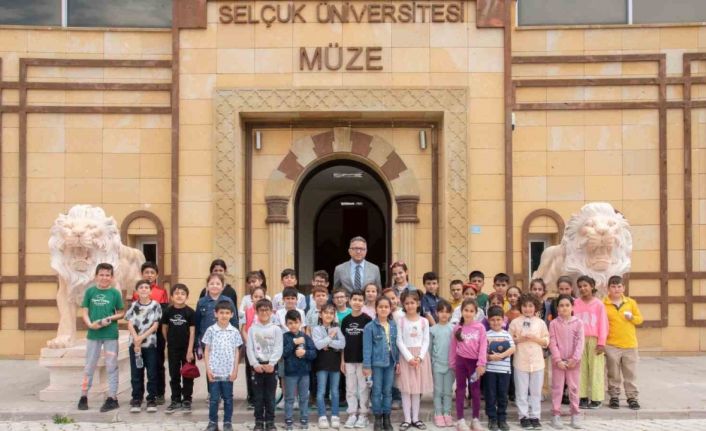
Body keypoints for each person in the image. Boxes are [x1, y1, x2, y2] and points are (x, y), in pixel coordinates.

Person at [77, 263, 125, 412]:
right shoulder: (90, 292)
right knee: (89, 365)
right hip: (93, 335)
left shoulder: (115, 293)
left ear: (112, 277)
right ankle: (83, 396)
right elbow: (85, 312)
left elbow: (121, 313)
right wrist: (90, 324)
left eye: (107, 275)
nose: (104, 278)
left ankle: (112, 397)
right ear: (96, 276)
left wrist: (108, 319)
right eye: (102, 275)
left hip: (110, 335)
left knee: (111, 366)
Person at [509, 294, 549, 430]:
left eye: (530, 306)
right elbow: (509, 340)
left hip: (537, 363)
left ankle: (535, 416)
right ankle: (523, 416)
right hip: (520, 361)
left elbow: (546, 341)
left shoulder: (541, 323)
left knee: (536, 392)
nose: (527, 309)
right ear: (520, 307)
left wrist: (534, 338)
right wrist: (520, 339)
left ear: (535, 307)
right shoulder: (515, 322)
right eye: (525, 306)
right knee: (521, 391)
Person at [202, 300, 243, 431]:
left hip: (228, 372)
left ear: (232, 314)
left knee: (228, 399)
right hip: (214, 372)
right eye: (221, 313)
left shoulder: (234, 331)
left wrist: (235, 370)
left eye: (227, 313)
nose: (224, 315)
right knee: (214, 399)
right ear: (216, 314)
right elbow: (206, 350)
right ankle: (212, 423)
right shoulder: (211, 330)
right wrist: (208, 369)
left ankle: (227, 422)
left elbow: (237, 351)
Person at [604, 275, 643, 411]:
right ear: (608, 288)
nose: (616, 289)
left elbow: (639, 320)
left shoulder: (631, 303)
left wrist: (632, 317)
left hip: (629, 344)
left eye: (619, 286)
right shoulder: (603, 304)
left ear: (624, 288)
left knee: (630, 373)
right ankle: (614, 396)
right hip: (611, 344)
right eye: (613, 286)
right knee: (613, 373)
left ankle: (632, 397)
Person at [133, 261, 169, 405]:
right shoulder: (136, 292)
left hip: (156, 333)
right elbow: (133, 315)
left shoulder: (161, 292)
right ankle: (138, 395)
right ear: (142, 274)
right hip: (140, 334)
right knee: (139, 365)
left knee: (157, 364)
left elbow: (163, 314)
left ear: (156, 275)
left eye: (152, 273)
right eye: (146, 272)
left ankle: (159, 393)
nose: (149, 275)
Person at [396, 290, 433, 431]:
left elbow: (426, 340)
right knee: (406, 389)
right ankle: (407, 419)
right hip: (406, 357)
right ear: (403, 305)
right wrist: (409, 357)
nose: (410, 305)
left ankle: (416, 418)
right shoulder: (401, 321)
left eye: (412, 302)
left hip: (420, 358)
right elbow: (399, 341)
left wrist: (420, 357)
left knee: (416, 390)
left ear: (418, 303)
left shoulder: (424, 321)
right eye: (407, 303)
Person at [126, 279, 162, 413]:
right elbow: (129, 323)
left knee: (152, 373)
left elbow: (155, 325)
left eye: (146, 287)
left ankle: (151, 399)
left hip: (150, 344)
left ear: (150, 291)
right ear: (137, 291)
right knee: (136, 373)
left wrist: (141, 337)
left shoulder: (155, 305)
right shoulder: (133, 305)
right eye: (141, 287)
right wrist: (136, 338)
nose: (144, 289)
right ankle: (136, 398)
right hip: (135, 345)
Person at [548, 294, 584, 430]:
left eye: (567, 305)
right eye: (561, 305)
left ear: (572, 307)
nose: (564, 308)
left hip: (573, 363)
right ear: (557, 308)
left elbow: (580, 342)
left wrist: (575, 359)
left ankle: (575, 414)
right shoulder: (553, 324)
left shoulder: (578, 323)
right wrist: (557, 360)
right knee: (557, 388)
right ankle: (556, 414)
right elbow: (552, 342)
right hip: (558, 362)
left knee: (574, 388)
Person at [450, 298, 487, 431]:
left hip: (474, 366)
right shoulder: (457, 328)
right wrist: (453, 364)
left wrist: (481, 364)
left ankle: (475, 420)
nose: (468, 313)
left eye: (471, 311)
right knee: (460, 390)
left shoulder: (480, 328)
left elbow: (483, 346)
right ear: (462, 311)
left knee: (475, 391)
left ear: (476, 313)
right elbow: (453, 347)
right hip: (461, 363)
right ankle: (460, 420)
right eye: (466, 310)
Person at [363, 296, 399, 431]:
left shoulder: (393, 325)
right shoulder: (369, 327)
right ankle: (378, 418)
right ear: (376, 309)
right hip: (376, 363)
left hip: (390, 362)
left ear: (390, 309)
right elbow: (367, 348)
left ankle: (386, 418)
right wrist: (367, 366)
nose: (383, 309)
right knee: (377, 391)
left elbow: (396, 345)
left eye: (386, 307)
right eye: (381, 307)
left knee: (388, 391)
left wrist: (398, 362)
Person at [247, 299, 283, 431]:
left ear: (271, 311)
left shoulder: (276, 329)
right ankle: (258, 421)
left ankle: (270, 421)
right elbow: (249, 348)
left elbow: (278, 347)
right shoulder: (252, 329)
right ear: (256, 312)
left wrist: (272, 363)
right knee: (258, 396)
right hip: (257, 367)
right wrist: (255, 364)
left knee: (270, 396)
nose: (264, 312)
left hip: (271, 367)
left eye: (266, 310)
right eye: (261, 310)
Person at [574, 275, 608, 410]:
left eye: (585, 285)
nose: (583, 288)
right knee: (580, 369)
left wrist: (602, 342)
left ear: (592, 286)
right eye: (580, 286)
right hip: (579, 340)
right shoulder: (575, 303)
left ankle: (596, 398)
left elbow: (603, 324)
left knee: (596, 369)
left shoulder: (599, 304)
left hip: (594, 340)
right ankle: (582, 397)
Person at [161, 283, 196, 414]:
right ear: (171, 296)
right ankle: (175, 399)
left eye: (182, 293)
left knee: (188, 374)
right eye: (176, 293)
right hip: (173, 349)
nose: (179, 296)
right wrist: (169, 342)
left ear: (187, 297)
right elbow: (164, 329)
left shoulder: (190, 312)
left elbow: (192, 332)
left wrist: (190, 350)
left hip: (187, 349)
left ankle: (187, 399)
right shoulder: (167, 311)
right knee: (174, 374)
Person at [341, 290, 373, 429]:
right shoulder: (346, 320)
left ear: (363, 302)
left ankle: (363, 414)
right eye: (355, 299)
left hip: (363, 360)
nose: (357, 302)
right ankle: (352, 413)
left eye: (360, 300)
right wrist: (342, 360)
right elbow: (343, 342)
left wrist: (368, 362)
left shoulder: (367, 320)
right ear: (349, 301)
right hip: (348, 359)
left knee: (363, 388)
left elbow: (370, 342)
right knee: (350, 388)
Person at [312, 303, 346, 429]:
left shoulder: (337, 328)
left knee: (335, 391)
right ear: (321, 315)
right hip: (321, 363)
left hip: (334, 363)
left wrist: (327, 342)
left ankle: (335, 415)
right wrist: (330, 338)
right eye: (326, 312)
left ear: (334, 315)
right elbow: (318, 345)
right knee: (321, 391)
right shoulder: (316, 329)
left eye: (331, 313)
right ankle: (322, 416)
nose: (328, 315)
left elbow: (342, 344)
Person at [282, 309, 317, 431]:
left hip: (304, 373)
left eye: (296, 322)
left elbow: (314, 353)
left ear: (300, 323)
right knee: (289, 398)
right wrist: (293, 343)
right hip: (290, 373)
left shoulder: (306, 337)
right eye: (290, 323)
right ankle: (288, 419)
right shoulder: (285, 337)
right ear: (286, 324)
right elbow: (283, 353)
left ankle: (304, 418)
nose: (293, 325)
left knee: (304, 397)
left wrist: (305, 353)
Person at [484, 305, 515, 431]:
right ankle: (492, 418)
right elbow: (482, 352)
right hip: (490, 371)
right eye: (493, 320)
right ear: (488, 320)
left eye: (498, 319)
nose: (496, 322)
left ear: (503, 320)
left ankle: (502, 419)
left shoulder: (507, 334)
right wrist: (489, 357)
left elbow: (513, 348)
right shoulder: (486, 335)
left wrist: (501, 356)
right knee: (490, 395)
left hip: (504, 371)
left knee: (503, 396)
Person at [244, 285, 269, 410]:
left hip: (264, 347)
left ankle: (264, 397)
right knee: (251, 372)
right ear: (251, 298)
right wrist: (250, 343)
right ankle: (252, 397)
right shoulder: (247, 311)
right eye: (256, 296)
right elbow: (243, 329)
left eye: (261, 296)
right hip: (250, 346)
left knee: (264, 372)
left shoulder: (268, 311)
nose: (258, 299)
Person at [430, 300, 454, 428]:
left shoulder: (454, 329)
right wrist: (430, 365)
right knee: (438, 391)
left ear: (450, 314)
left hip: (450, 366)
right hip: (437, 365)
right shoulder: (432, 330)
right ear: (436, 313)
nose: (444, 314)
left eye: (447, 312)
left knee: (448, 391)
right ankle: (438, 413)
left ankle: (447, 413)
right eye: (441, 311)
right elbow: (429, 349)